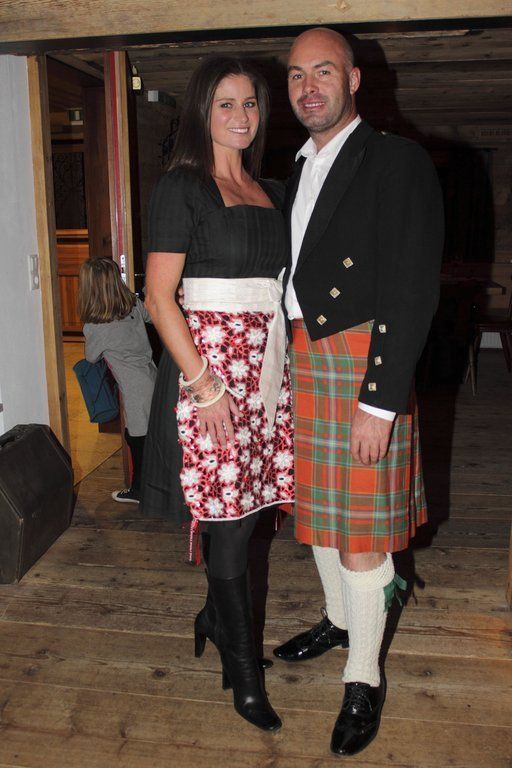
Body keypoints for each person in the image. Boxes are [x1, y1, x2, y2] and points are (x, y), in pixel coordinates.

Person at [272, 29, 444, 756]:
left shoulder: (394, 160)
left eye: (324, 71)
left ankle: (364, 676)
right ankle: (341, 620)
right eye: (296, 75)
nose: (308, 87)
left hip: (360, 361)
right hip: (303, 357)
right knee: (318, 513)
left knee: (363, 535)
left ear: (353, 80)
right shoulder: (297, 167)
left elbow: (412, 286)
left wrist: (380, 400)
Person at [143, 55, 294, 732]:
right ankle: (244, 674)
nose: (241, 116)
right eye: (226, 103)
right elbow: (159, 298)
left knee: (252, 511)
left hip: (267, 374)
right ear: (202, 112)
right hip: (212, 378)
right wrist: (206, 387)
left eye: (250, 103)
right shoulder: (183, 187)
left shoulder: (270, 190)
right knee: (228, 526)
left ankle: (212, 614)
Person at [79, 257, 157, 503]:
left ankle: (140, 490)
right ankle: (149, 487)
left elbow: (91, 357)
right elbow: (152, 317)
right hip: (152, 376)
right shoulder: (133, 304)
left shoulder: (95, 326)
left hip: (134, 389)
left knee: (138, 438)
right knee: (143, 433)